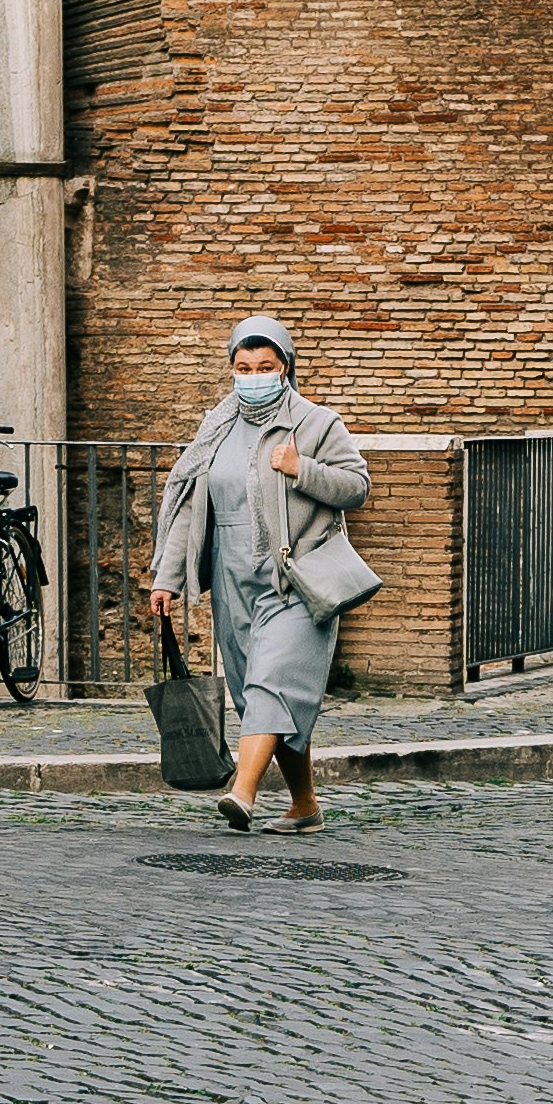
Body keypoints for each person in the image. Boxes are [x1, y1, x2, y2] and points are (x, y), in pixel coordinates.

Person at [149, 312, 371, 832]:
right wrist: (167, 577)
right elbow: (187, 505)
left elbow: (356, 485)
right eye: (243, 367)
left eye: (265, 365)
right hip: (232, 581)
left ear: (287, 368)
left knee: (272, 684)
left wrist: (302, 470)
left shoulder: (316, 423)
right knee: (261, 695)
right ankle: (304, 806)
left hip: (296, 579)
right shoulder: (216, 427)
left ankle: (242, 793)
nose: (254, 375)